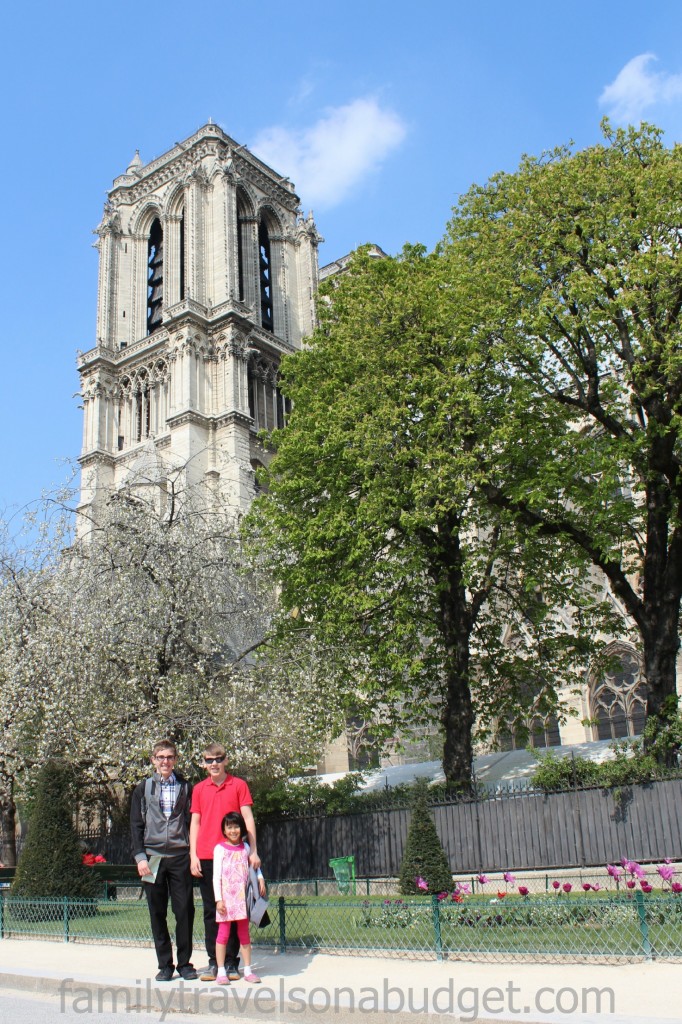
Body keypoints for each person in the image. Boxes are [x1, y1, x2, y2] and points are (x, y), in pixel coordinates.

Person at [189, 742, 260, 982]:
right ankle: (214, 963)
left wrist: (254, 851)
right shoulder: (199, 789)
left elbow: (248, 818)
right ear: (204, 763)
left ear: (226, 760)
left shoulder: (238, 785)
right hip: (209, 857)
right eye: (209, 760)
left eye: (218, 759)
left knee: (236, 911)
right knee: (213, 911)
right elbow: (195, 823)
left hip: (236, 856)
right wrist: (193, 855)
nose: (214, 764)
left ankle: (232, 963)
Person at [130, 739, 198, 982]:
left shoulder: (186, 787)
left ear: (176, 760)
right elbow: (136, 826)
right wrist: (140, 858)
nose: (165, 761)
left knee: (184, 911)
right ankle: (165, 965)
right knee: (156, 912)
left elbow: (192, 824)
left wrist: (193, 855)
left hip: (180, 855)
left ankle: (185, 963)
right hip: (152, 857)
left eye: (169, 757)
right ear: (153, 760)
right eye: (160, 757)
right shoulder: (143, 788)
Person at [212, 812, 265, 984]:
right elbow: (216, 877)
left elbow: (254, 866)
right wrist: (218, 899)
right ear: (224, 830)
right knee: (223, 935)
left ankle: (248, 970)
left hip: (242, 899)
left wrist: (260, 877)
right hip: (226, 901)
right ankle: (221, 971)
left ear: (241, 828)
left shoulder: (247, 848)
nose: (233, 830)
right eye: (230, 827)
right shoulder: (219, 849)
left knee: (244, 935)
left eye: (236, 826)